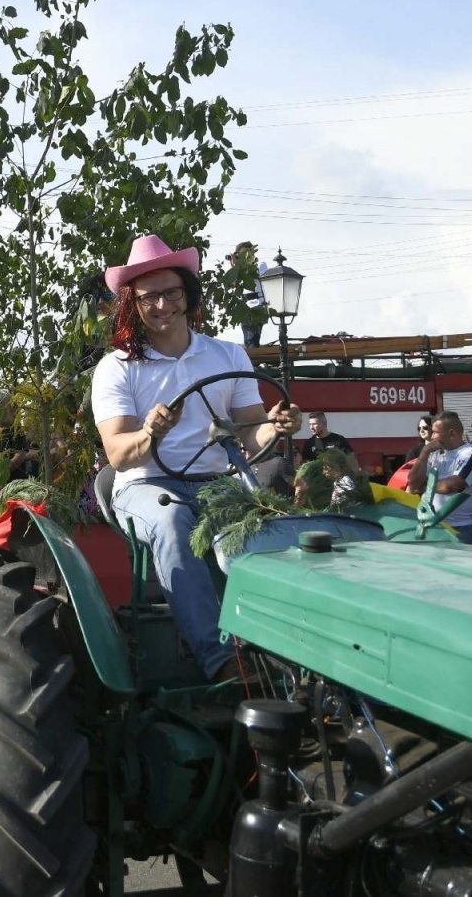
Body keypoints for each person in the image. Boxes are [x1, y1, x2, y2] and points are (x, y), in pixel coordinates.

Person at [91, 234, 301, 684]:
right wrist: (150, 433)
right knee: (172, 522)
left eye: (171, 292)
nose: (162, 305)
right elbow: (119, 455)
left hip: (218, 483)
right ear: (133, 305)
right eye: (149, 297)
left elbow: (250, 432)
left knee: (277, 525)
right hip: (145, 485)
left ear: (187, 295)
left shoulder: (226, 354)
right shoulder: (117, 367)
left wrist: (276, 424)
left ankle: (291, 651)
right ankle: (221, 662)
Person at [406, 411, 472, 544]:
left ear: (452, 433)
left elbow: (450, 486)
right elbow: (412, 482)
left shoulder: (471, 453)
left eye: (435, 432)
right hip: (429, 525)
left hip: (461, 528)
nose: (432, 437)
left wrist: (423, 486)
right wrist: (424, 453)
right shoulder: (433, 452)